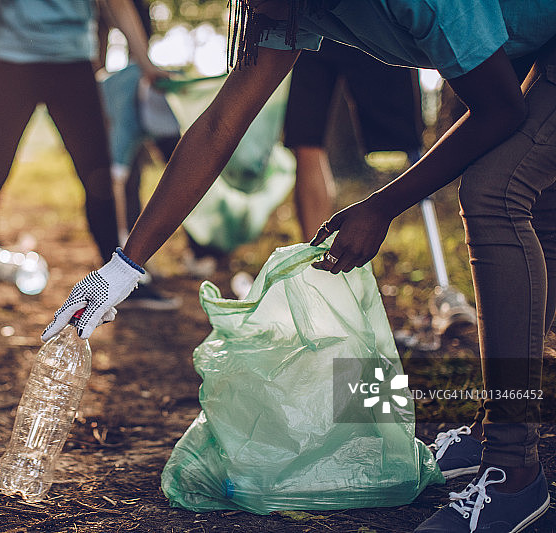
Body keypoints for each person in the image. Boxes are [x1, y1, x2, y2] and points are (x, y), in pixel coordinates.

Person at [45, 2, 556, 531]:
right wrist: (123, 269)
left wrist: (381, 205)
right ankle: (498, 429)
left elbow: (500, 110)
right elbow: (222, 124)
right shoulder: (284, 8)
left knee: (496, 191)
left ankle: (516, 477)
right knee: (538, 204)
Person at [0, 0, 173, 327]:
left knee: (98, 177)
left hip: (73, 63)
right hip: (8, 62)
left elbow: (119, 4)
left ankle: (123, 285)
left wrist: (146, 64)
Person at [284, 38, 423, 240]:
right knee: (305, 139)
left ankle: (398, 236)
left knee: (403, 139)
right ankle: (314, 254)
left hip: (374, 18)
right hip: (311, 19)